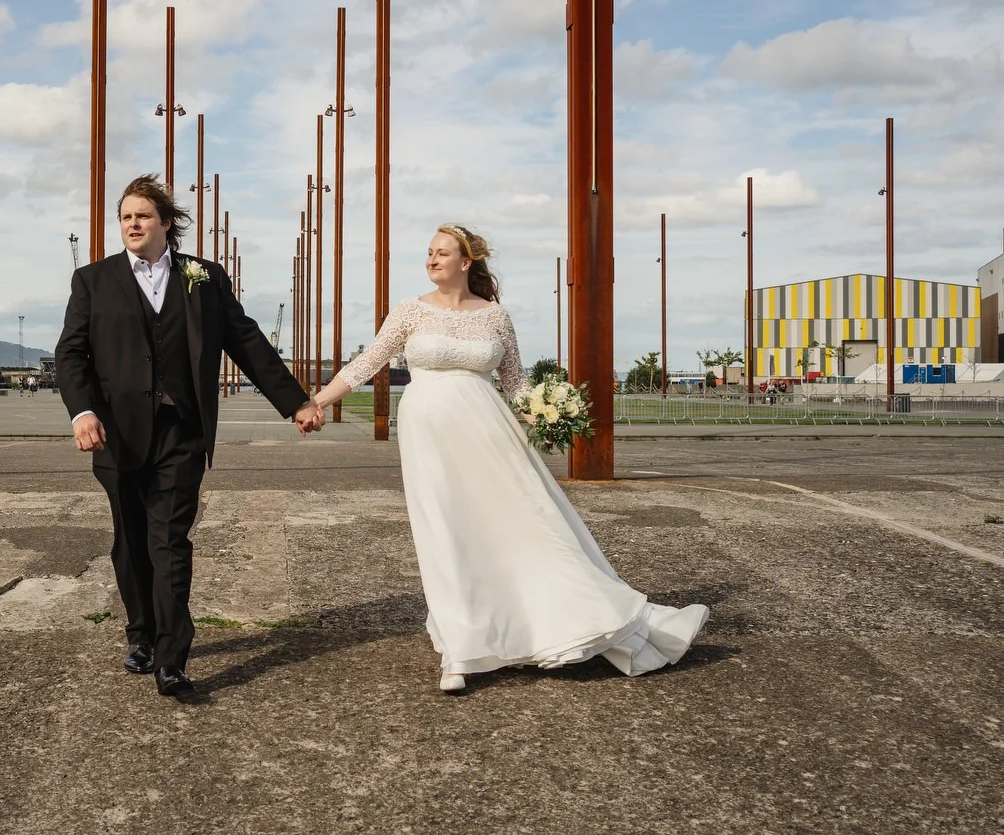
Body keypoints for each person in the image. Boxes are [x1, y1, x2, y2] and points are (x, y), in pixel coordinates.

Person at [311, 224, 708, 692]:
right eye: (429, 253)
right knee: (446, 532)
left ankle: (567, 619)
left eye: (442, 253)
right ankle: (462, 650)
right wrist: (317, 402)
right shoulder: (408, 312)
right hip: (428, 437)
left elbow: (515, 382)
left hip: (491, 435)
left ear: (467, 262)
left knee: (525, 525)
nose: (431, 260)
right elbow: (365, 364)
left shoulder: (496, 316)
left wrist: (549, 412)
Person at [56, 175, 325, 698]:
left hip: (182, 431)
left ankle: (172, 656)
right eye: (126, 217)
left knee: (171, 541)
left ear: (166, 224)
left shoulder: (203, 278)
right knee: (130, 541)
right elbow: (71, 354)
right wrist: (82, 411)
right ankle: (142, 634)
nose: (133, 224)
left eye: (143, 216)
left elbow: (247, 342)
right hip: (116, 434)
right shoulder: (92, 280)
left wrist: (296, 402)